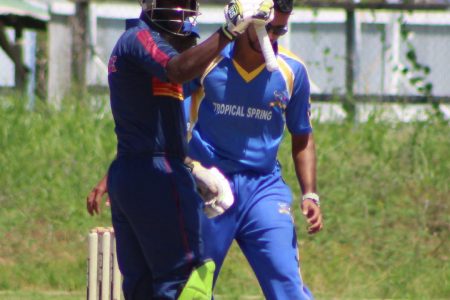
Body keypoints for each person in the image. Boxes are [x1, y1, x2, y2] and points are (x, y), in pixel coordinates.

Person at [85, 0, 273, 299]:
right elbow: (176, 69)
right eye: (175, 3)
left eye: (187, 4)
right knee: (185, 281)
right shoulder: (140, 38)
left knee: (142, 286)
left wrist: (192, 168)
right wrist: (228, 31)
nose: (183, 11)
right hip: (156, 175)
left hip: (134, 171)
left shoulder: (143, 47)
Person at [184, 0, 323, 299]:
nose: (272, 37)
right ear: (248, 20)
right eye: (267, 28)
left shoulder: (291, 71)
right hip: (209, 185)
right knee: (193, 288)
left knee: (288, 286)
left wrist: (310, 194)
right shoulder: (210, 61)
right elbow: (166, 113)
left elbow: (302, 136)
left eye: (280, 30)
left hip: (263, 187)